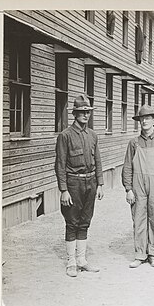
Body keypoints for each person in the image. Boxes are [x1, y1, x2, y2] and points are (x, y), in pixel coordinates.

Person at [54, 94, 104, 277]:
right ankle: (71, 262)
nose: (85, 115)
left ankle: (82, 260)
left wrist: (100, 183)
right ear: (74, 113)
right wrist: (64, 190)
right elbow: (60, 164)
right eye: (82, 112)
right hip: (73, 183)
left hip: (90, 182)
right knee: (72, 222)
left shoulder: (92, 135)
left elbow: (97, 160)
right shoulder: (65, 136)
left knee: (85, 222)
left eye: (88, 112)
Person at [123, 105, 154, 268]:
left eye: (148, 118)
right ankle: (139, 254)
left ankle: (152, 253)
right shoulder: (134, 143)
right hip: (138, 186)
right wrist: (128, 189)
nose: (145, 121)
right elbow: (127, 167)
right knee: (138, 219)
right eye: (142, 118)